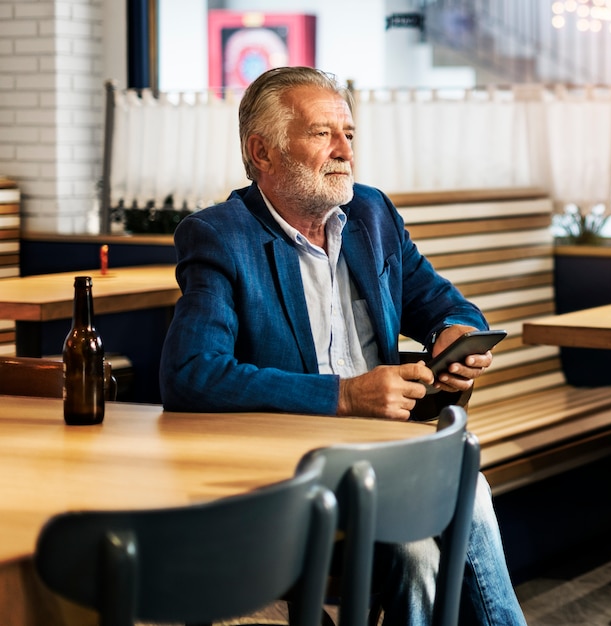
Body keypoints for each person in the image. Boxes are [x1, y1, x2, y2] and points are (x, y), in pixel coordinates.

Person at [159, 66, 527, 626]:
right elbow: (190, 374)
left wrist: (454, 331)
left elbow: (443, 302)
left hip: (383, 449)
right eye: (321, 133)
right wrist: (344, 397)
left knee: (451, 501)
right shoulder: (220, 236)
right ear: (262, 152)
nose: (343, 150)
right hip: (294, 463)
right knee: (432, 527)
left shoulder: (371, 215)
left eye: (349, 134)